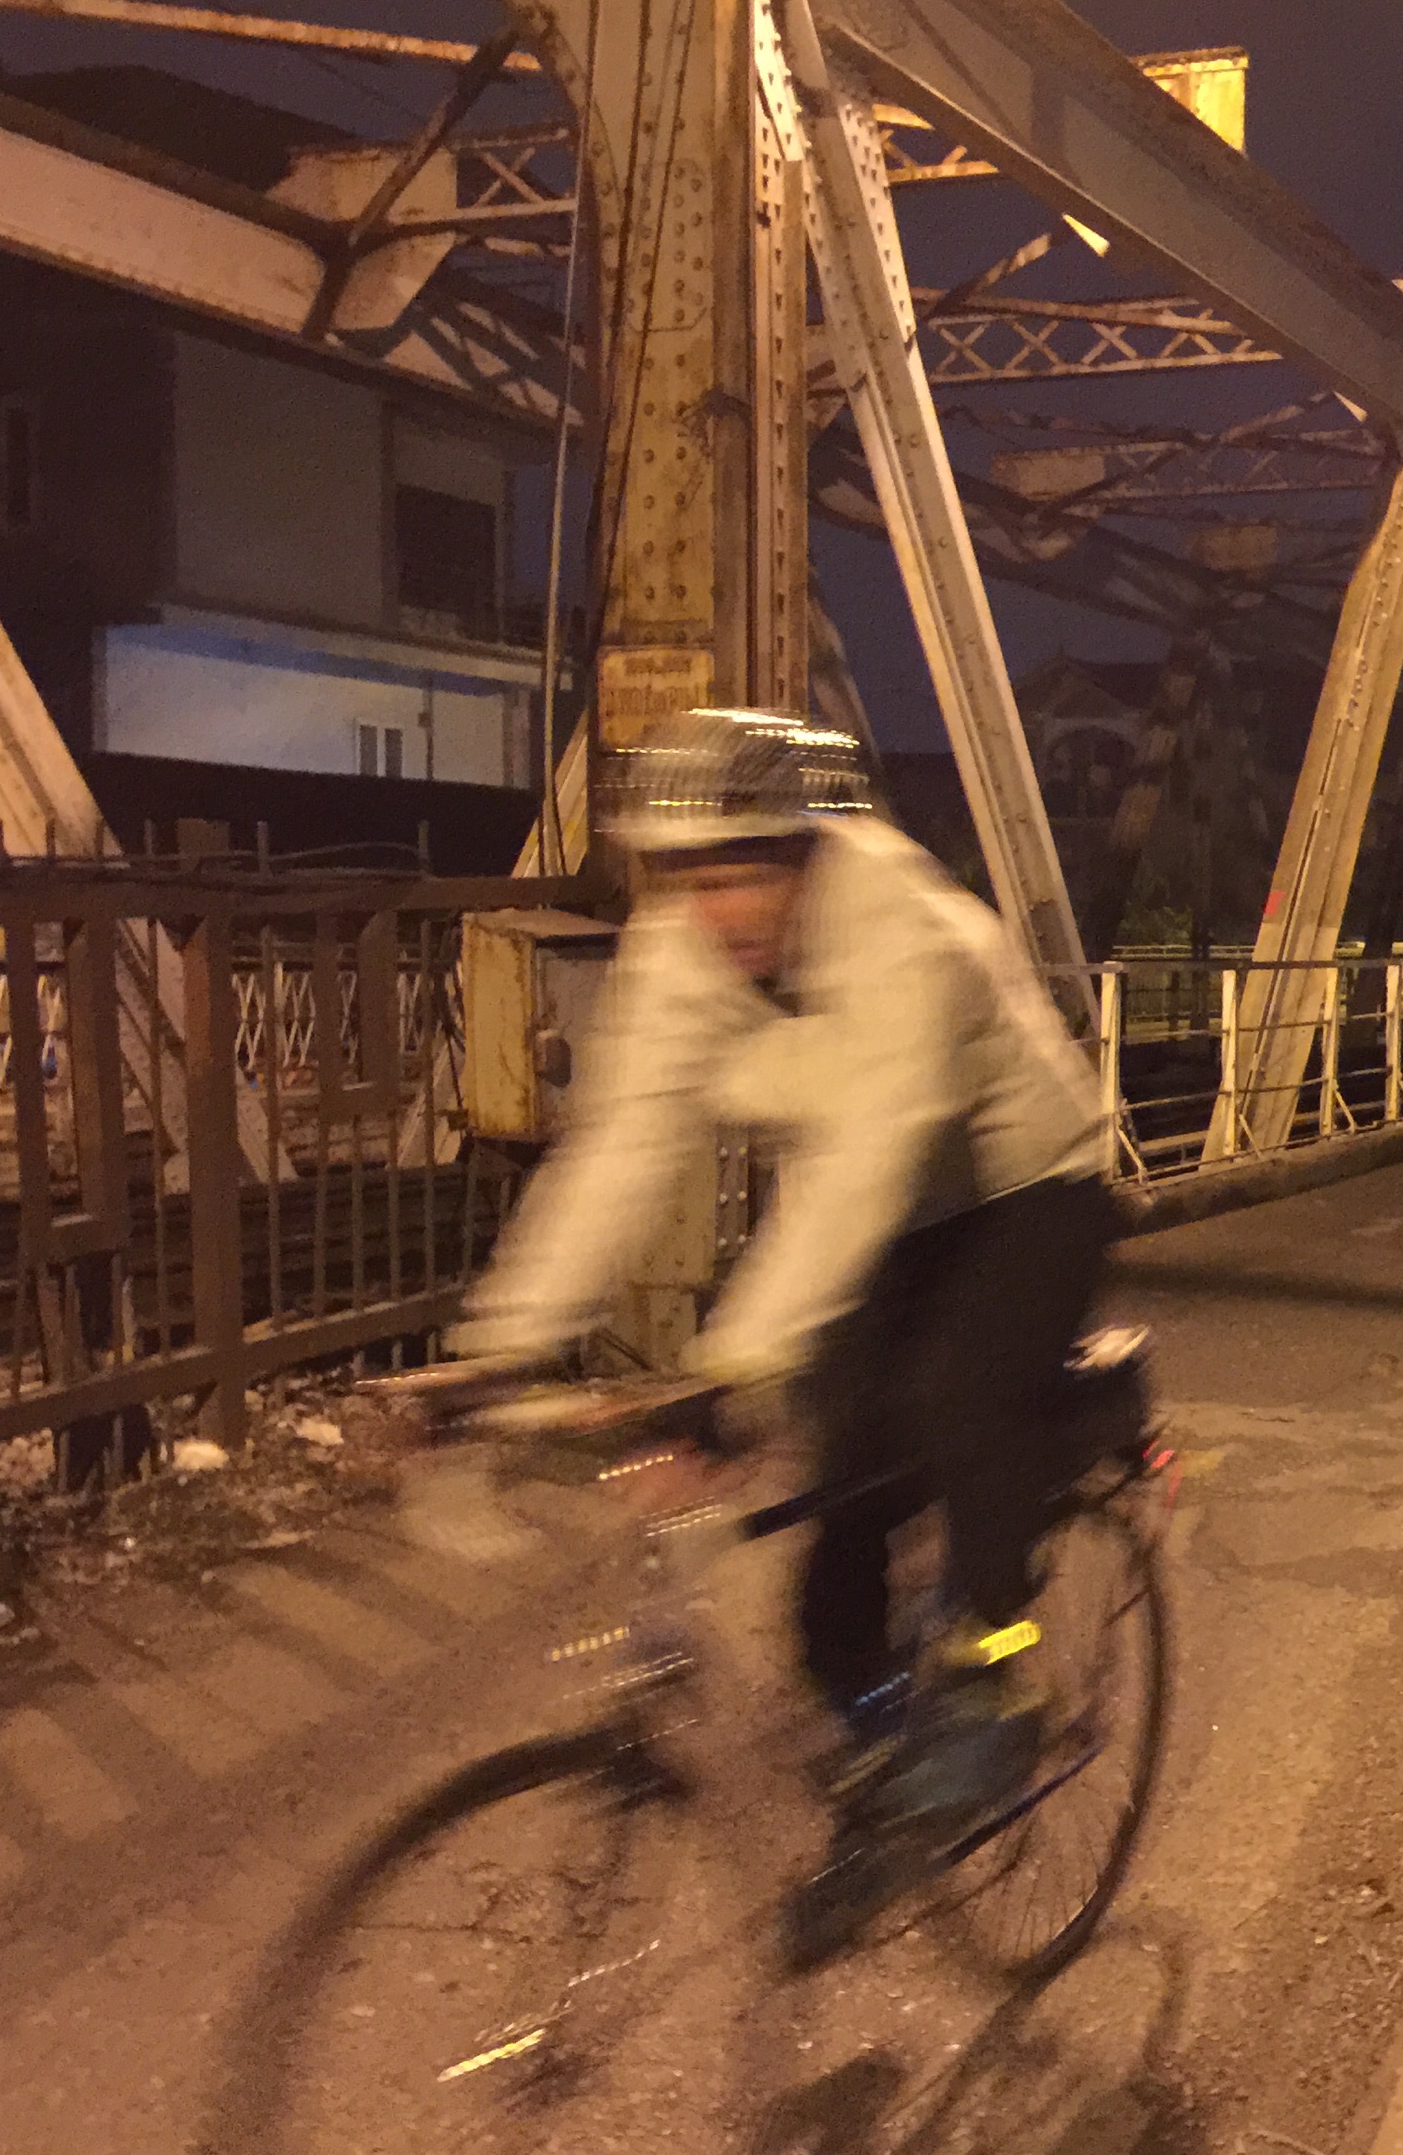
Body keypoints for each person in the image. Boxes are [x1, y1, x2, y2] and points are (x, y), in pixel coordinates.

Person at [449, 704, 1121, 1876]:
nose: (719, 911)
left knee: (964, 1403)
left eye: (745, 873)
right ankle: (888, 1767)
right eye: (688, 878)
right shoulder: (683, 952)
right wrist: (499, 1351)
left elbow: (864, 1161)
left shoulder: (901, 925)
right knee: (841, 1506)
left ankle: (997, 1679)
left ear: (810, 852)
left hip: (1026, 1185)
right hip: (891, 1213)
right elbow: (621, 1147)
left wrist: (726, 1375)